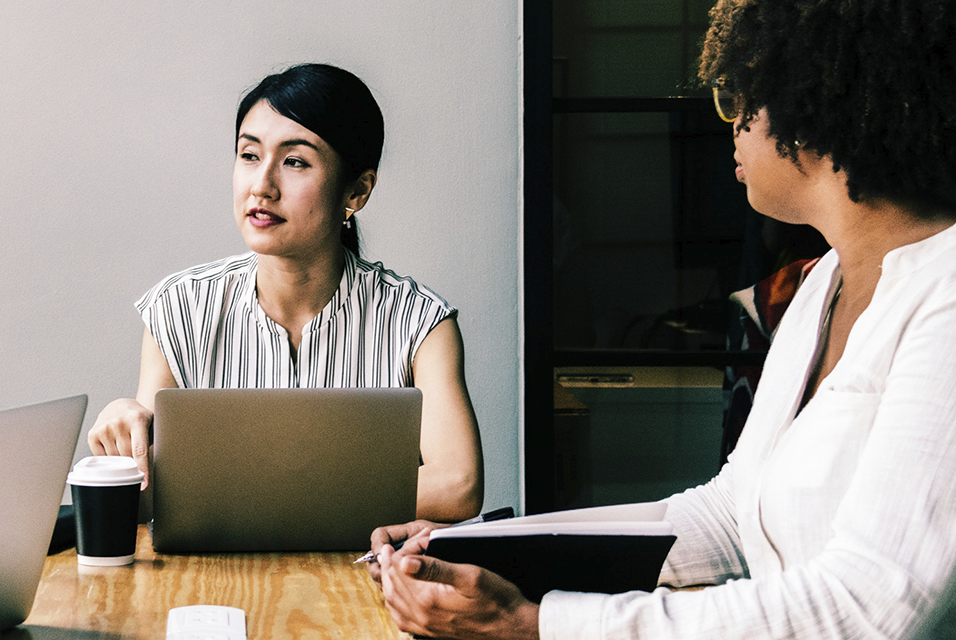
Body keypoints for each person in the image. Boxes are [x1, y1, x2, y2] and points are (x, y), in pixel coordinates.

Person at [371, 0, 956, 638]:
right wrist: (471, 545)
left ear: (818, 95)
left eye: (737, 95)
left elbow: (873, 609)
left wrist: (536, 624)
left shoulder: (945, 299)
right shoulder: (824, 286)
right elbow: (726, 520)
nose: (730, 123)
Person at [87, 63, 484, 522]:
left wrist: (241, 490)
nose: (262, 185)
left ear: (356, 191)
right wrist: (123, 423)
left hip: (363, 583)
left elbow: (458, 485)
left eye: (295, 161)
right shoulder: (178, 309)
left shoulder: (419, 322)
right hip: (214, 588)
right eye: (249, 155)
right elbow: (152, 491)